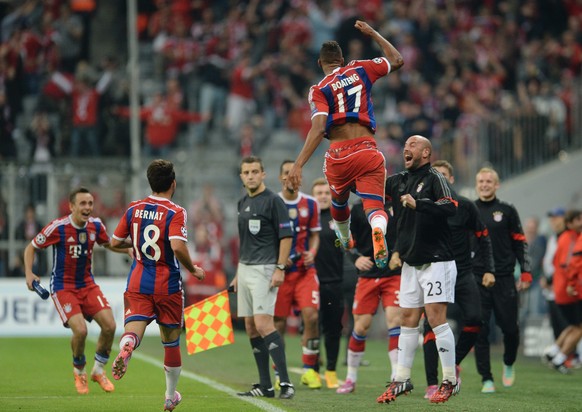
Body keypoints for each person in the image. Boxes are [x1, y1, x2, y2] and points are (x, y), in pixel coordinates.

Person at [286, 19, 404, 270]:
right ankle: (378, 231)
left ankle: (343, 236)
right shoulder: (360, 68)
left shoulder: (319, 89)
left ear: (320, 64)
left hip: (339, 155)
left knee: (339, 201)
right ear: (342, 60)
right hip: (367, 150)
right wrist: (373, 32)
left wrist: (297, 165)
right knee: (374, 205)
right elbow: (397, 60)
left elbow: (318, 128)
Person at [109, 159, 205, 411]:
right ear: (173, 183)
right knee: (171, 342)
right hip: (167, 286)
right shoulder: (176, 212)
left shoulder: (134, 208)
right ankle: (170, 396)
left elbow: (114, 241)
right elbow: (177, 246)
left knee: (133, 330)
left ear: (150, 182)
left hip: (138, 282)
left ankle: (128, 345)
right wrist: (193, 268)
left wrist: (135, 247)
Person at [23, 187, 129, 395]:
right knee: (80, 331)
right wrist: (29, 273)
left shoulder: (96, 226)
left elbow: (108, 244)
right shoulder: (58, 228)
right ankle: (79, 370)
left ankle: (98, 371)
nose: (87, 207)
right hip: (63, 287)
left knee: (110, 326)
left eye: (90, 203)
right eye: (82, 203)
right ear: (71, 206)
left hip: (87, 284)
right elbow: (31, 247)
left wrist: (128, 249)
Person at [378, 135, 458, 404]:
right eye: (405, 145)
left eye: (413, 145)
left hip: (437, 260)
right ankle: (401, 379)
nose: (406, 148)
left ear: (426, 152)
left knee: (435, 319)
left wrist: (419, 203)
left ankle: (449, 380)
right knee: (407, 319)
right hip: (411, 263)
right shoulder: (398, 180)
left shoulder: (435, 177)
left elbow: (451, 206)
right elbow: (372, 187)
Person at [422, 160, 495, 399]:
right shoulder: (425, 207)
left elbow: (483, 237)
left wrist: (489, 269)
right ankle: (432, 383)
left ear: (450, 180)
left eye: (444, 176)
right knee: (430, 326)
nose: (440, 180)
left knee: (476, 318)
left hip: (463, 272)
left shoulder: (464, 205)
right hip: (434, 271)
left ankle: (453, 363)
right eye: (436, 176)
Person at [231, 155, 295, 400]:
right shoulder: (242, 202)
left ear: (263, 174)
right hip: (245, 268)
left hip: (265, 268)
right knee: (250, 327)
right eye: (246, 172)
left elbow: (286, 237)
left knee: (263, 324)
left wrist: (280, 267)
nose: (250, 176)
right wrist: (238, 274)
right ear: (241, 176)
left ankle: (286, 383)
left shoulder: (274, 201)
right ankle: (265, 386)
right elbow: (244, 242)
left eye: (255, 171)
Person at [473, 167, 532, 393]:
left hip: (505, 278)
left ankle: (508, 362)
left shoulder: (507, 211)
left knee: (510, 329)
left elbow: (520, 243)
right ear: (477, 184)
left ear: (496, 185)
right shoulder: (471, 209)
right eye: (481, 181)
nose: (485, 184)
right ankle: (486, 378)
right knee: (479, 329)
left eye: (489, 181)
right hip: (478, 278)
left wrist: (526, 272)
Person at [336, 197, 402, 397]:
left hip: (393, 274)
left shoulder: (396, 205)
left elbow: (405, 233)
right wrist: (355, 258)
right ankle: (351, 378)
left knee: (395, 320)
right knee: (360, 326)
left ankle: (396, 378)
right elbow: (342, 239)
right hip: (367, 275)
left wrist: (398, 253)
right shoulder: (357, 209)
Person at [274, 160, 322, 389]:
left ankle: (309, 370)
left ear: (299, 177)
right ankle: (278, 372)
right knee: (278, 323)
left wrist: (312, 252)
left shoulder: (311, 205)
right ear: (281, 178)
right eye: (286, 173)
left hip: (304, 271)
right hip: (280, 273)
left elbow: (314, 235)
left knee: (311, 316)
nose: (291, 177)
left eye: (295, 173)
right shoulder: (271, 203)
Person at [311, 177, 344, 389]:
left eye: (326, 193)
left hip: (334, 281)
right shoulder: (307, 220)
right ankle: (312, 370)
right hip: (311, 282)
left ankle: (331, 370)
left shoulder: (339, 218)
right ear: (313, 197)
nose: (323, 196)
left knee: (333, 328)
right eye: (319, 193)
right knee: (312, 327)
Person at [543, 209, 582, 373]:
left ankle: (554, 351)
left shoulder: (562, 238)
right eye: (579, 219)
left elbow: (555, 261)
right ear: (571, 223)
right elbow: (570, 264)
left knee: (574, 324)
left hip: (562, 287)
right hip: (570, 288)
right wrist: (572, 283)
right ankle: (560, 358)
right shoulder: (573, 238)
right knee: (579, 327)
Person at [541, 207, 570, 341]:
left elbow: (565, 264)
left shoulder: (568, 237)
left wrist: (549, 279)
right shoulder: (553, 238)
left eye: (557, 218)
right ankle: (563, 357)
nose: (553, 222)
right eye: (552, 219)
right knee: (556, 325)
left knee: (567, 325)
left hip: (564, 288)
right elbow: (548, 261)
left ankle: (567, 355)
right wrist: (544, 278)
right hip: (552, 290)